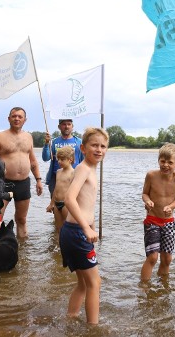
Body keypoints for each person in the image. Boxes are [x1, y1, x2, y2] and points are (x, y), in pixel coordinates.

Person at [59, 127, 109, 324]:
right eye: (94, 145)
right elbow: (69, 199)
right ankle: (93, 329)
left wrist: (92, 226)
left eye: (103, 146)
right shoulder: (83, 168)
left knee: (83, 283)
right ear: (83, 148)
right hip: (77, 232)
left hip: (74, 232)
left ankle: (71, 317)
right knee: (95, 283)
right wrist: (86, 228)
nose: (99, 149)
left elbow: (86, 203)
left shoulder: (91, 169)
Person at [0, 107, 43, 238]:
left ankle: (22, 253)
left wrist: (38, 180)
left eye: (20, 116)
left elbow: (33, 161)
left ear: (25, 120)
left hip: (23, 183)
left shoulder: (28, 137)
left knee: (21, 219)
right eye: (14, 116)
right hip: (3, 183)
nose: (17, 119)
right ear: (9, 118)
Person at [140, 143, 175, 281]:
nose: (165, 165)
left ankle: (163, 286)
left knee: (167, 259)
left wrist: (171, 206)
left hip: (168, 222)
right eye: (162, 161)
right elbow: (145, 194)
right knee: (153, 257)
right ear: (158, 161)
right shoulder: (151, 175)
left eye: (170, 162)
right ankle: (144, 287)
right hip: (152, 220)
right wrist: (147, 201)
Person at [42, 119, 84, 196]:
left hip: (74, 177)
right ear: (59, 127)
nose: (66, 126)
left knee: (72, 204)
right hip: (56, 178)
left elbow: (84, 161)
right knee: (56, 204)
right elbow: (45, 158)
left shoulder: (79, 142)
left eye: (69, 124)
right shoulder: (54, 142)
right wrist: (47, 143)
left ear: (72, 126)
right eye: (64, 124)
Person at [48, 145, 76, 233]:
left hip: (66, 204)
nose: (59, 161)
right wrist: (51, 203)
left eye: (62, 159)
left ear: (70, 159)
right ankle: (58, 245)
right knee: (58, 228)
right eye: (58, 159)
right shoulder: (58, 172)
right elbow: (56, 189)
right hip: (57, 204)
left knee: (68, 229)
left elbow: (75, 192)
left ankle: (68, 245)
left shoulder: (73, 173)